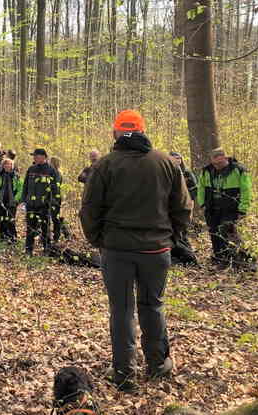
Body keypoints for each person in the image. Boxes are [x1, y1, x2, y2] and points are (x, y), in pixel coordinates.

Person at [79, 110, 192, 392]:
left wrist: (99, 241)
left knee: (122, 310)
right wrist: (170, 237)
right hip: (155, 250)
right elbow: (184, 207)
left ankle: (124, 374)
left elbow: (89, 211)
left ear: (115, 133)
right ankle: (157, 366)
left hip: (117, 250)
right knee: (152, 305)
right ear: (142, 130)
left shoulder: (105, 165)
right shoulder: (165, 162)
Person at [197, 148, 255, 268]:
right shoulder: (206, 171)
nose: (217, 166)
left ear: (225, 158)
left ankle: (242, 260)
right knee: (214, 233)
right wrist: (202, 203)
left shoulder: (238, 170)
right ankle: (220, 258)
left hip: (231, 209)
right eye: (214, 163)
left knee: (229, 233)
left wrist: (243, 208)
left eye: (220, 163)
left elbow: (246, 190)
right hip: (212, 208)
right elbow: (201, 188)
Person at [22, 148, 61, 256]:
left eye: (36, 156)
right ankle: (28, 250)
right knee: (30, 228)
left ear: (43, 157)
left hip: (44, 205)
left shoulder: (51, 170)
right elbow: (25, 185)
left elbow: (55, 189)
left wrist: (51, 202)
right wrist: (24, 200)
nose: (34, 158)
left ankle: (46, 249)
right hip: (31, 204)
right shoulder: (31, 169)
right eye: (33, 156)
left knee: (45, 228)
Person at [168, 152, 199, 266]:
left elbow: (193, 191)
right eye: (174, 158)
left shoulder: (187, 173)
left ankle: (190, 258)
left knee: (183, 234)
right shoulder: (167, 171)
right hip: (171, 209)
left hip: (184, 206)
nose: (177, 160)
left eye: (178, 158)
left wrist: (190, 207)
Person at [0, 158, 22, 243]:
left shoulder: (16, 176)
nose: (7, 166)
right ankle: (3, 235)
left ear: (12, 166)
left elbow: (20, 189)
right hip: (1, 200)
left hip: (12, 200)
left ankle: (13, 236)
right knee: (2, 218)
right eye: (5, 164)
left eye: (9, 164)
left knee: (11, 219)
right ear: (3, 166)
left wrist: (16, 199)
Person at [49, 156, 71, 243]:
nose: (49, 163)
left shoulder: (57, 173)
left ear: (53, 163)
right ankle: (59, 235)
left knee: (56, 218)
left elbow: (56, 187)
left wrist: (54, 199)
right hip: (54, 198)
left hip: (55, 199)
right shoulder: (54, 172)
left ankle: (62, 234)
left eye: (50, 162)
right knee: (55, 218)